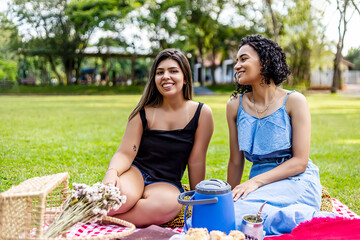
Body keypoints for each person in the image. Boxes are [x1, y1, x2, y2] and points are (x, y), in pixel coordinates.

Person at [226, 35, 334, 236]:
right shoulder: (234, 105)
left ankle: (308, 220)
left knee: (245, 217)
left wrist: (255, 182)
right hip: (259, 186)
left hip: (296, 180)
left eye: (243, 59)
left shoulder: (294, 101)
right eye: (237, 60)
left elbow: (300, 161)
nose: (237, 66)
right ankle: (297, 220)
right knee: (228, 215)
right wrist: (230, 198)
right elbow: (235, 161)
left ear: (265, 62)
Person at [102, 48, 214, 227]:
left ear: (185, 78)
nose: (165, 76)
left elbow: (197, 160)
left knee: (168, 205)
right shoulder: (143, 113)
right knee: (117, 200)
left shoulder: (202, 113)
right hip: (137, 173)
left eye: (173, 71)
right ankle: (110, 210)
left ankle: (104, 218)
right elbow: (125, 153)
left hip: (166, 182)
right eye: (160, 72)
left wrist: (197, 199)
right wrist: (112, 173)